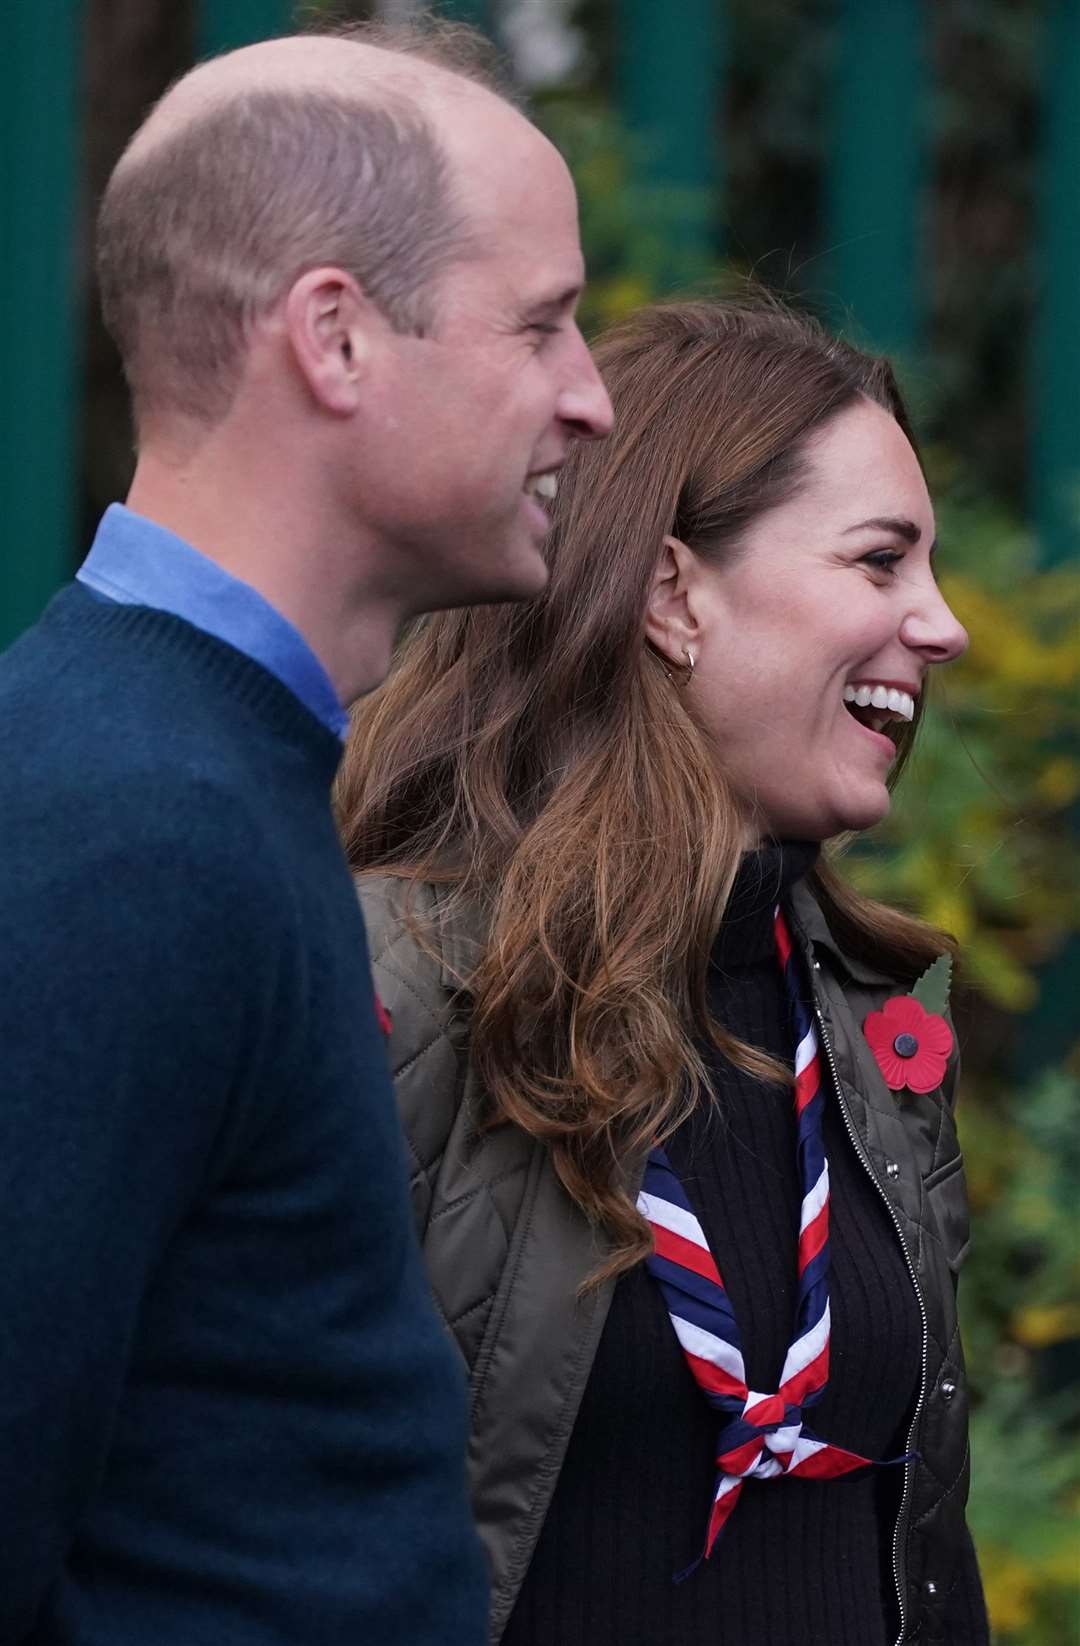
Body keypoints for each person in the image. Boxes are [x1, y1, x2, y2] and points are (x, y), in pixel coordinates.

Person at [0, 21, 611, 1646]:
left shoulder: (185, 774)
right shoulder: (124, 826)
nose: (594, 397)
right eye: (543, 324)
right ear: (334, 338)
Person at [339, 296, 989, 1646]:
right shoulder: (389, 985)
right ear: (674, 591)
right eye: (881, 562)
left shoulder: (875, 1027)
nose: (943, 626)